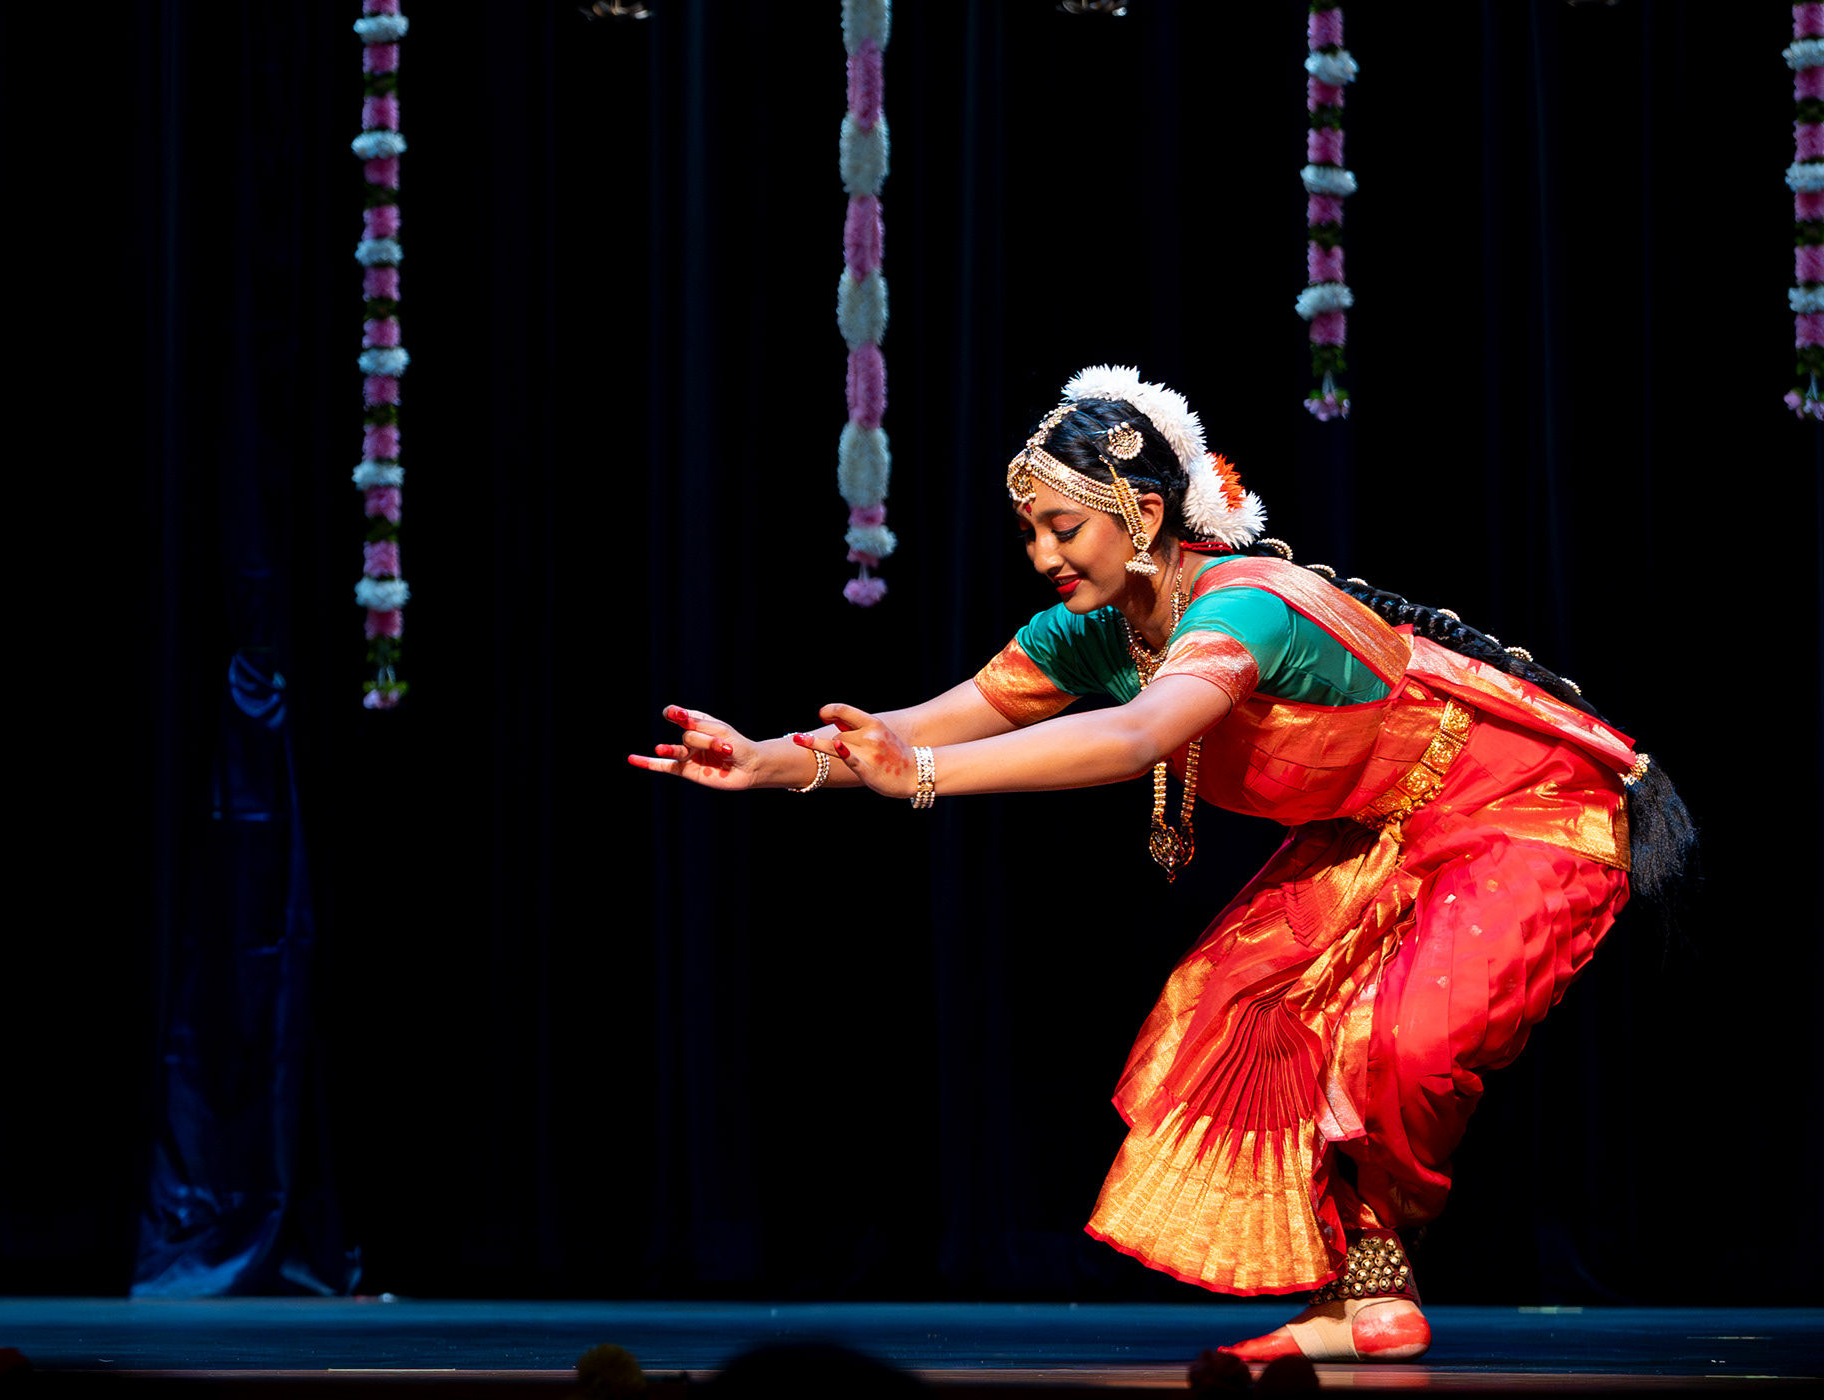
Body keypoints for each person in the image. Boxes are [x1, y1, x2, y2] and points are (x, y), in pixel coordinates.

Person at [633, 365, 1687, 1366]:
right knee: (1239, 1015)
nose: (1043, 555)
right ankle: (1370, 1303)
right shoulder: (1090, 633)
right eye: (1030, 532)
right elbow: (914, 725)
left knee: (1404, 1047)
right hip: (1375, 827)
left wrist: (924, 779)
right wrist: (770, 760)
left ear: (1142, 513)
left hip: (1518, 801)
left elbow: (1137, 736)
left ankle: (1372, 1280)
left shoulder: (1246, 602)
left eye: (1064, 527)